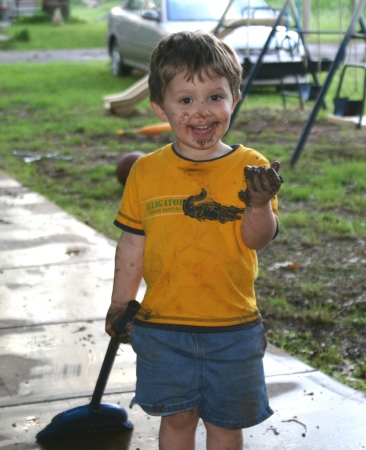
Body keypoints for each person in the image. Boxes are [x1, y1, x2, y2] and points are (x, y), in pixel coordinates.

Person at [106, 30, 283, 450]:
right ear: (160, 107)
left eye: (214, 97)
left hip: (233, 328)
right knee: (178, 420)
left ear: (234, 99)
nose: (201, 111)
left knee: (225, 424)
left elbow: (258, 241)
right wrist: (119, 303)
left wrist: (259, 206)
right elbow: (132, 244)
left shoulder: (251, 167)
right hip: (163, 327)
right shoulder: (146, 172)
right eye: (185, 100)